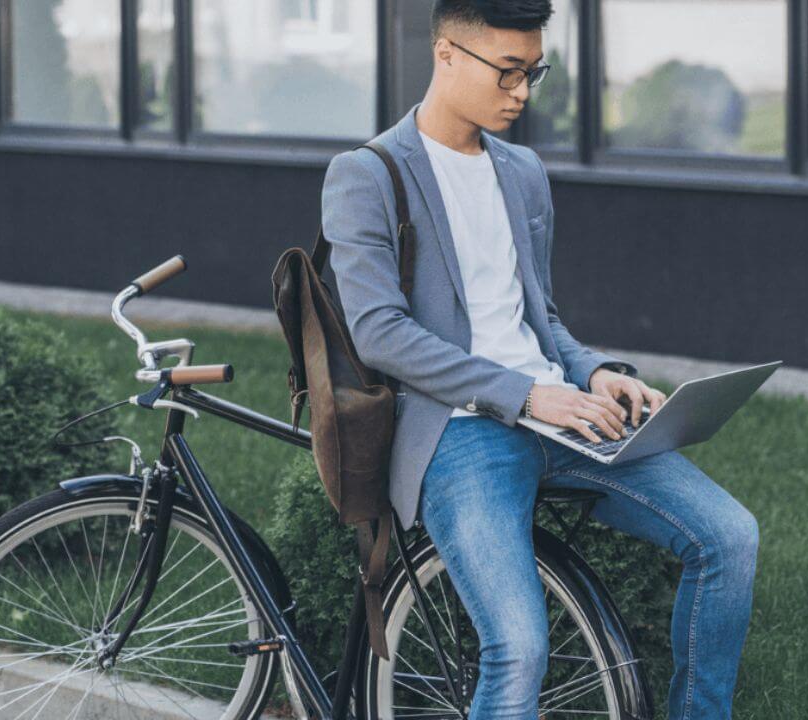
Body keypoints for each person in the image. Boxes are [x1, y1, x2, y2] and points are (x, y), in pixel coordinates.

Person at [319, 1, 759, 717]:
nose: (522, 92)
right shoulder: (367, 174)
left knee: (729, 536)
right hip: (459, 435)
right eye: (508, 72)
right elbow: (381, 335)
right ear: (447, 54)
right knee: (519, 648)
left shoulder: (522, 170)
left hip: (565, 415)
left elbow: (538, 317)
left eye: (533, 73)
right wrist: (524, 394)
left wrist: (593, 372)